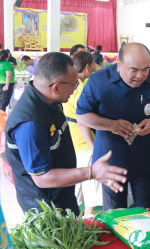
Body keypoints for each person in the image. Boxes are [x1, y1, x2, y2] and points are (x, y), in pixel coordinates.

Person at [5, 52, 127, 215]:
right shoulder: (30, 124)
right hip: (46, 209)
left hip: (62, 195)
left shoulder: (47, 100)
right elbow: (42, 178)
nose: (75, 89)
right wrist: (92, 172)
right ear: (56, 87)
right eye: (73, 84)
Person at [76, 42, 150, 210]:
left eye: (146, 69)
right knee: (115, 213)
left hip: (144, 157)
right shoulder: (98, 80)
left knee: (146, 211)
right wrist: (110, 125)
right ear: (119, 65)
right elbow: (82, 114)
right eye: (134, 70)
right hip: (110, 159)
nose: (141, 75)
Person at [62, 51, 102, 216]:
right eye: (92, 65)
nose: (93, 69)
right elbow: (82, 119)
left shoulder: (70, 83)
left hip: (71, 135)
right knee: (89, 177)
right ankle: (89, 214)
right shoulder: (82, 88)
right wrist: (93, 146)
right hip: (82, 137)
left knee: (78, 175)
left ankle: (75, 211)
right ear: (87, 66)